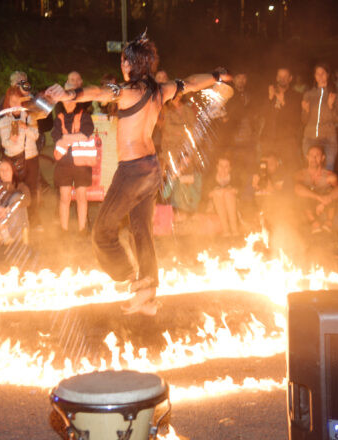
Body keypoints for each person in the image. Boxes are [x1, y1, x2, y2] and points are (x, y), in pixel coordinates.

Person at [45, 31, 230, 315]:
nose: (121, 66)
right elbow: (192, 83)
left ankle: (132, 277)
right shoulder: (161, 90)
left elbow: (97, 91)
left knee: (103, 232)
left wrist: (68, 94)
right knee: (141, 230)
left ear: (132, 64)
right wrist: (216, 76)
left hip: (132, 171)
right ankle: (149, 295)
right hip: (151, 168)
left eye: (123, 61)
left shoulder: (128, 92)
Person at [51, 82, 95, 235]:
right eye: (65, 98)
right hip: (64, 164)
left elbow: (86, 133)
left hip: (82, 164)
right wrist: (71, 138)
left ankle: (82, 229)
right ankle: (64, 230)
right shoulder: (59, 119)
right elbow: (57, 139)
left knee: (82, 197)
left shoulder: (85, 116)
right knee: (65, 198)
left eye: (70, 98)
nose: (68, 102)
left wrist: (66, 138)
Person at [0, 85, 42, 229]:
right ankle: (18, 222)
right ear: (8, 103)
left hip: (31, 158)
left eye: (18, 101)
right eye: (12, 102)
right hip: (14, 159)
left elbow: (36, 136)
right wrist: (11, 140)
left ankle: (34, 221)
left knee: (32, 190)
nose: (15, 105)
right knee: (17, 190)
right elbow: (4, 144)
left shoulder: (30, 116)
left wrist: (26, 127)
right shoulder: (4, 120)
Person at [260, 67, 302, 171]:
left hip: (286, 140)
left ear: (290, 78)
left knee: (288, 169)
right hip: (268, 139)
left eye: (285, 77)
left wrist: (283, 103)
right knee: (267, 169)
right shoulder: (269, 93)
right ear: (276, 78)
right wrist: (270, 98)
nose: (282, 79)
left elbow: (295, 118)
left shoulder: (296, 96)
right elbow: (262, 114)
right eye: (280, 76)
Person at [302, 63, 338, 171]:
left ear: (327, 74)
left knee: (328, 169)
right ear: (314, 76)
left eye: (323, 73)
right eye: (317, 73)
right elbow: (304, 121)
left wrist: (331, 106)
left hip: (328, 138)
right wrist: (305, 111)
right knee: (310, 169)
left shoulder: (335, 94)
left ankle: (326, 188)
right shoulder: (308, 94)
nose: (320, 76)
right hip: (310, 137)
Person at [294, 145, 338, 234]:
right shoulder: (300, 175)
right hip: (309, 207)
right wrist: (318, 198)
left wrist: (324, 201)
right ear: (307, 157)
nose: (314, 158)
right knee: (303, 194)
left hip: (325, 206)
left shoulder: (330, 177)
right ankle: (314, 223)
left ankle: (328, 223)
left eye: (317, 155)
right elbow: (297, 189)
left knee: (332, 192)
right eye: (311, 155)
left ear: (323, 158)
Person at [203, 156, 240, 238]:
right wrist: (216, 192)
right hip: (215, 207)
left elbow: (239, 191)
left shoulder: (235, 178)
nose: (223, 169)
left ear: (230, 168)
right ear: (217, 167)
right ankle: (226, 230)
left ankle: (234, 229)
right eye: (221, 166)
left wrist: (228, 191)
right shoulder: (210, 179)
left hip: (233, 207)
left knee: (228, 195)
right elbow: (205, 195)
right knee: (217, 194)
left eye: (226, 166)